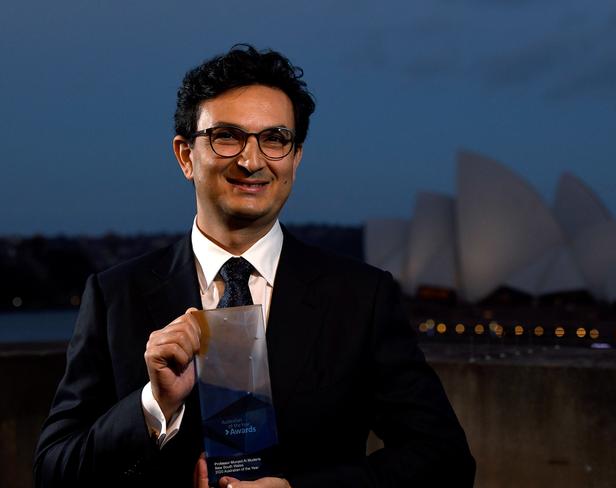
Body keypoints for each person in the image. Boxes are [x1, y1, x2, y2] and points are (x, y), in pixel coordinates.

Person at [34, 44, 475, 488]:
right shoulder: (114, 296)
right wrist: (154, 406)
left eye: (275, 139)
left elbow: (445, 460)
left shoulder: (362, 297)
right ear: (185, 155)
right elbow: (53, 471)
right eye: (227, 136)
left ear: (296, 157)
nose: (251, 160)